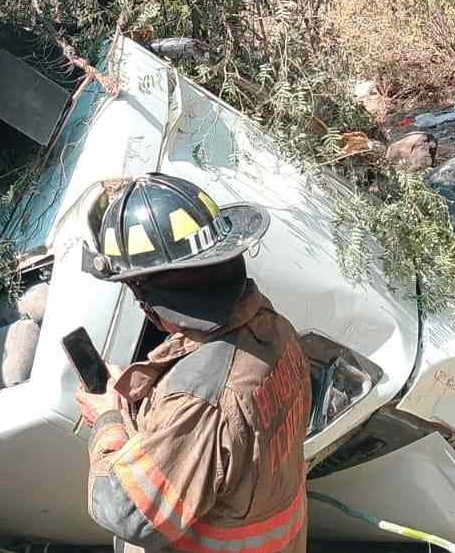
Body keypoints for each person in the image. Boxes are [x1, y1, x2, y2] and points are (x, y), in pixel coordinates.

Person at [75, 173, 311, 553]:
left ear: (147, 297)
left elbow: (126, 512)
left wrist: (109, 421)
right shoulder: (275, 329)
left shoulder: (201, 398)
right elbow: (229, 447)